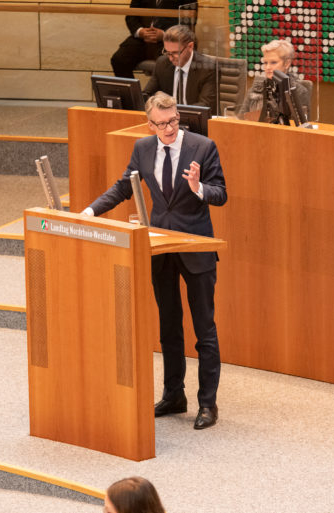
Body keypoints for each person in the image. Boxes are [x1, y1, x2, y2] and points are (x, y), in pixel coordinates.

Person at [82, 92, 227, 430]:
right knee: (168, 327)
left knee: (204, 329)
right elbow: (123, 187)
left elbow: (221, 193)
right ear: (150, 125)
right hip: (160, 248)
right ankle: (174, 395)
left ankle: (208, 405)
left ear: (179, 116)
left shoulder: (203, 147)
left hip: (195, 247)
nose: (170, 128)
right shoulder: (143, 149)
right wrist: (89, 212)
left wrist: (198, 187)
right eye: (162, 124)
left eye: (174, 121)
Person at [143, 24, 217, 116]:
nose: (170, 58)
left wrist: (171, 111)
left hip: (196, 121)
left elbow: (206, 105)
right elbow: (146, 95)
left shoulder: (208, 68)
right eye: (167, 52)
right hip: (167, 121)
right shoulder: (162, 63)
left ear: (190, 47)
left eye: (175, 53)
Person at [111, 0, 194, 79]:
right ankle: (131, 93)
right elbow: (131, 16)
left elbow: (189, 20)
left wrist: (164, 34)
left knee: (168, 64)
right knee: (119, 59)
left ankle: (161, 94)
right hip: (142, 39)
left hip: (171, 41)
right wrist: (140, 32)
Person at [236, 38, 310, 121]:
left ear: (287, 63)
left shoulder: (299, 92)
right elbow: (240, 119)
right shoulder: (256, 88)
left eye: (273, 62)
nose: (267, 67)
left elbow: (299, 127)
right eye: (265, 63)